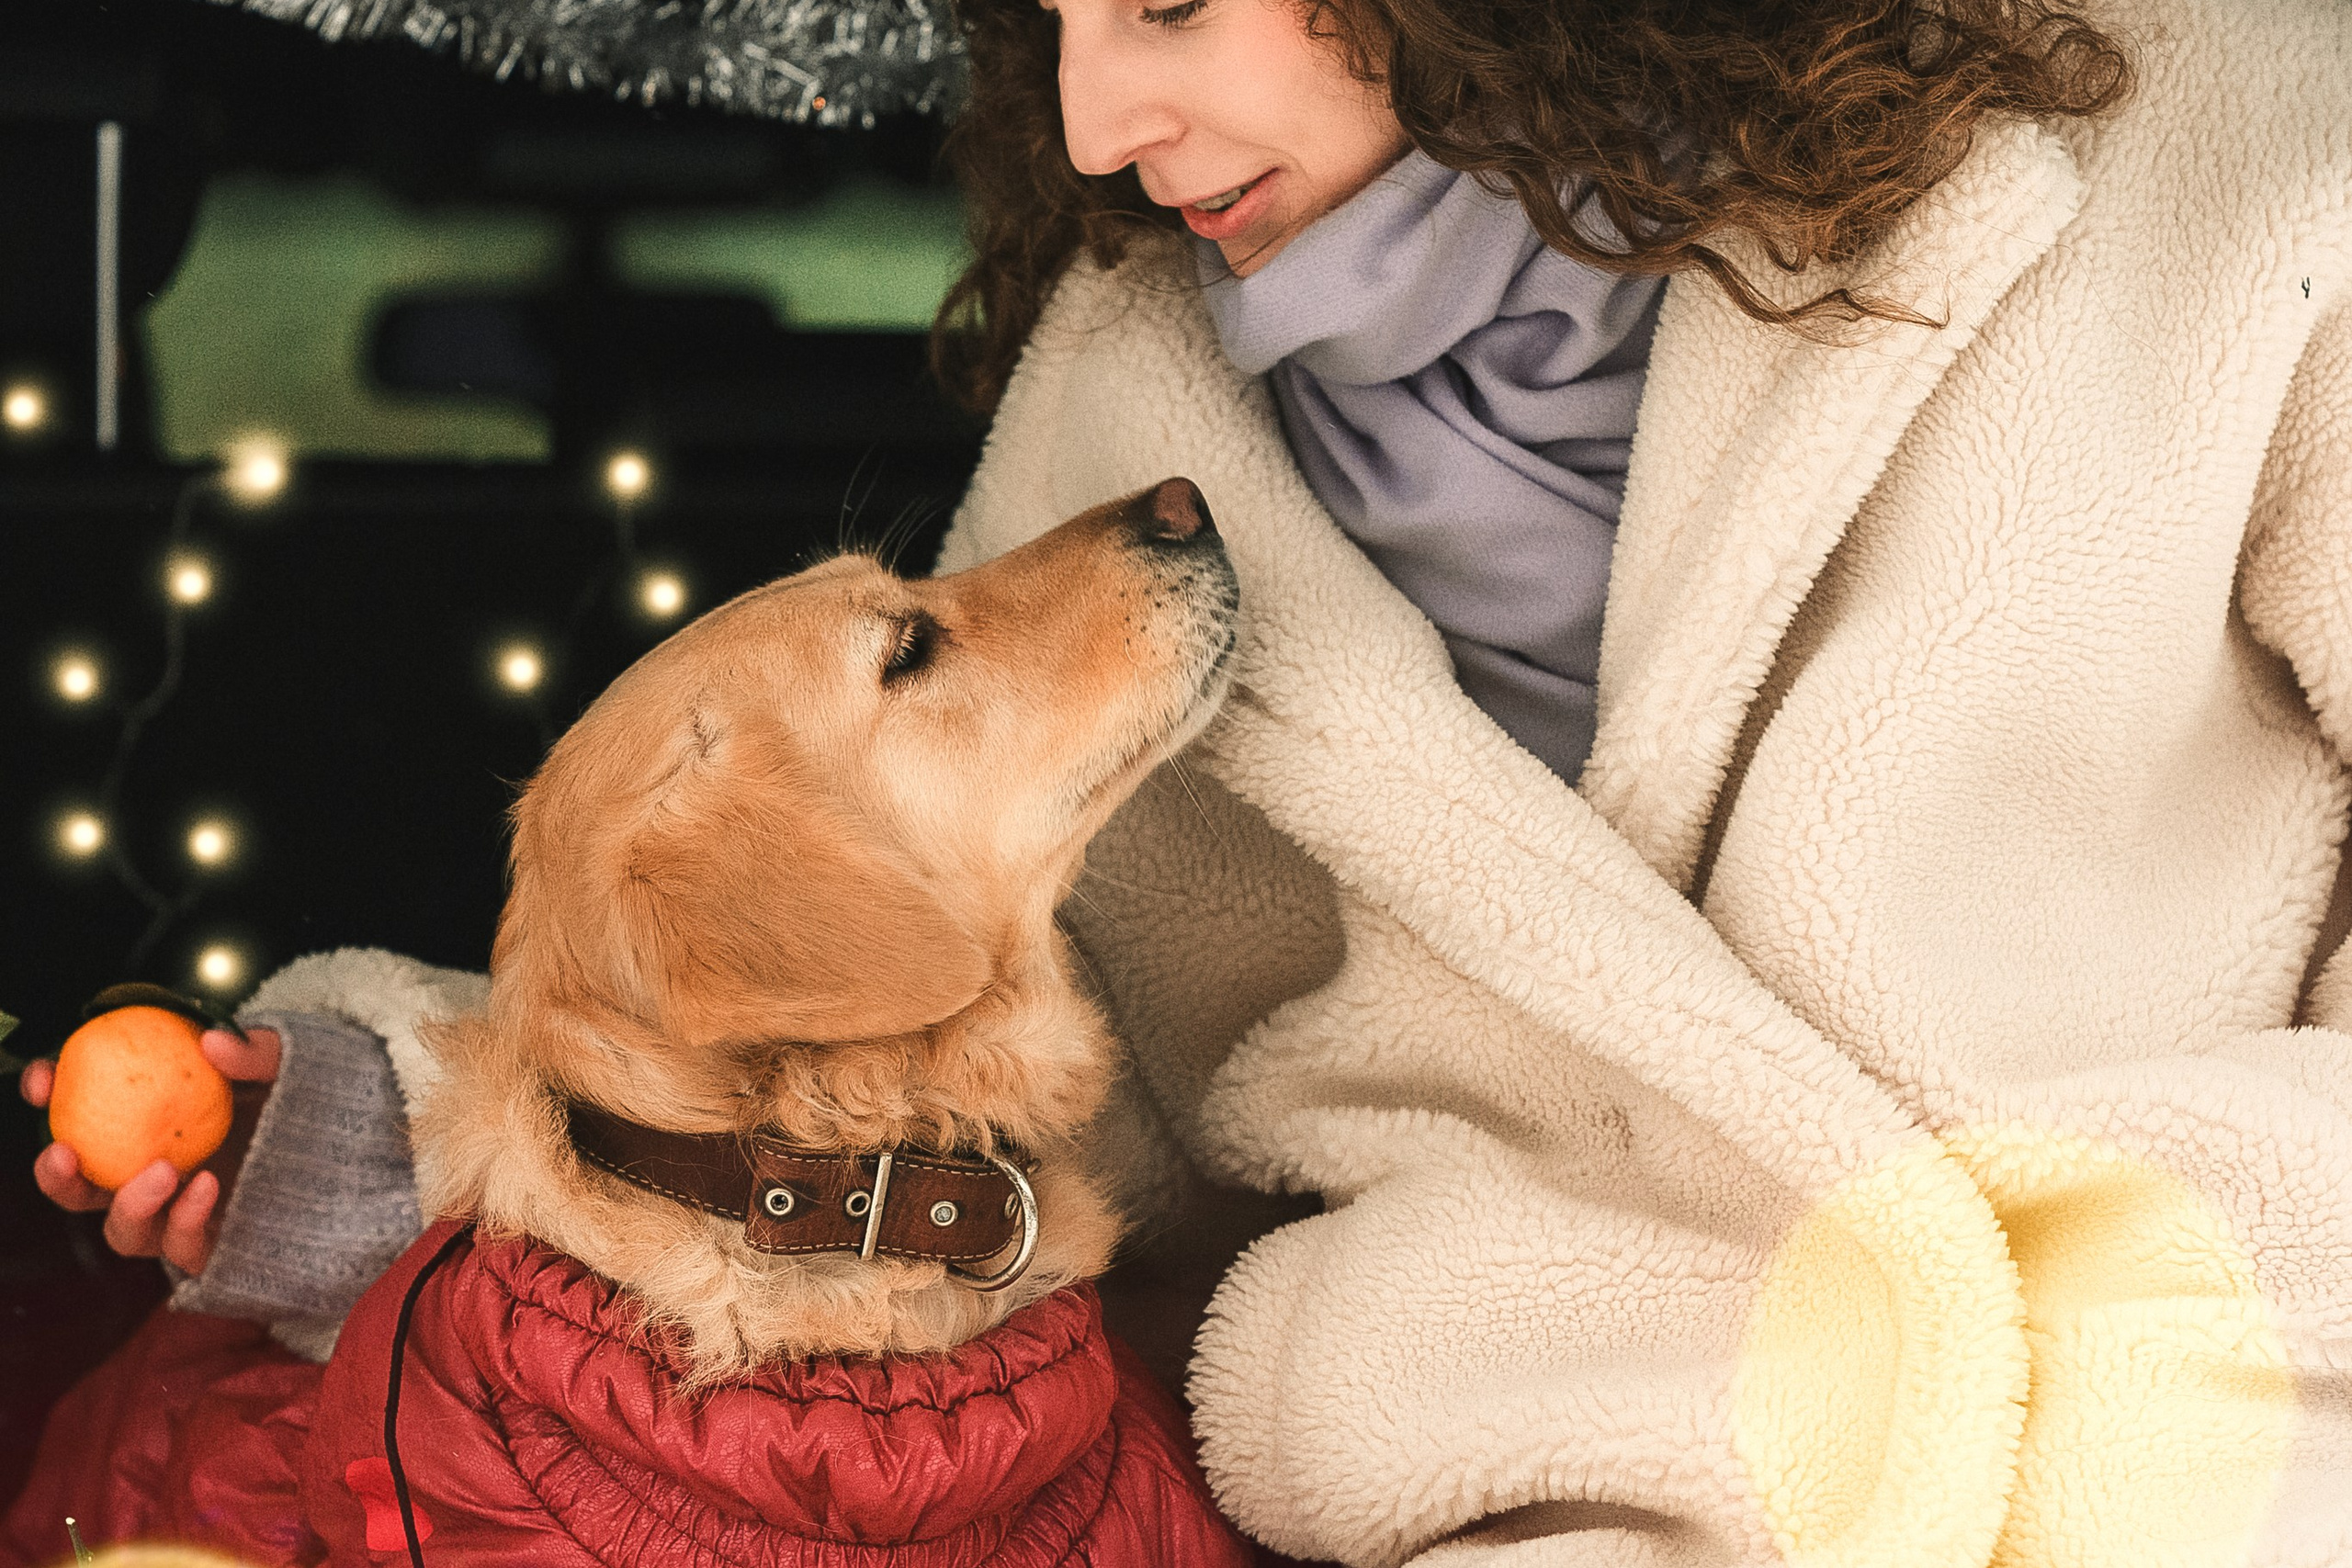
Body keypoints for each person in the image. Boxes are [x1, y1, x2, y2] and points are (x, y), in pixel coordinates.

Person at [20, 0, 2352, 1562]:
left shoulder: (2220, 155)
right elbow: (986, 1091)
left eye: (1157, 6)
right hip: (1555, 1471)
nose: (1085, 129)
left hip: (2241, 1375)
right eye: (1042, 20)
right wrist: (382, 1135)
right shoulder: (1129, 431)